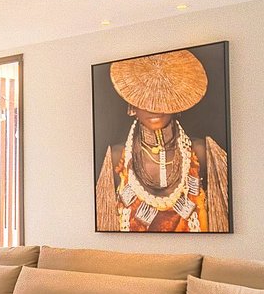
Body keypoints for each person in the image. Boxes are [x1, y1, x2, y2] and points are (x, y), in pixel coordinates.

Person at [95, 49, 230, 232]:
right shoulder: (117, 157)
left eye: (162, 99)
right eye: (145, 99)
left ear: (177, 105)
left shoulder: (202, 152)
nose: (154, 108)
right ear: (131, 107)